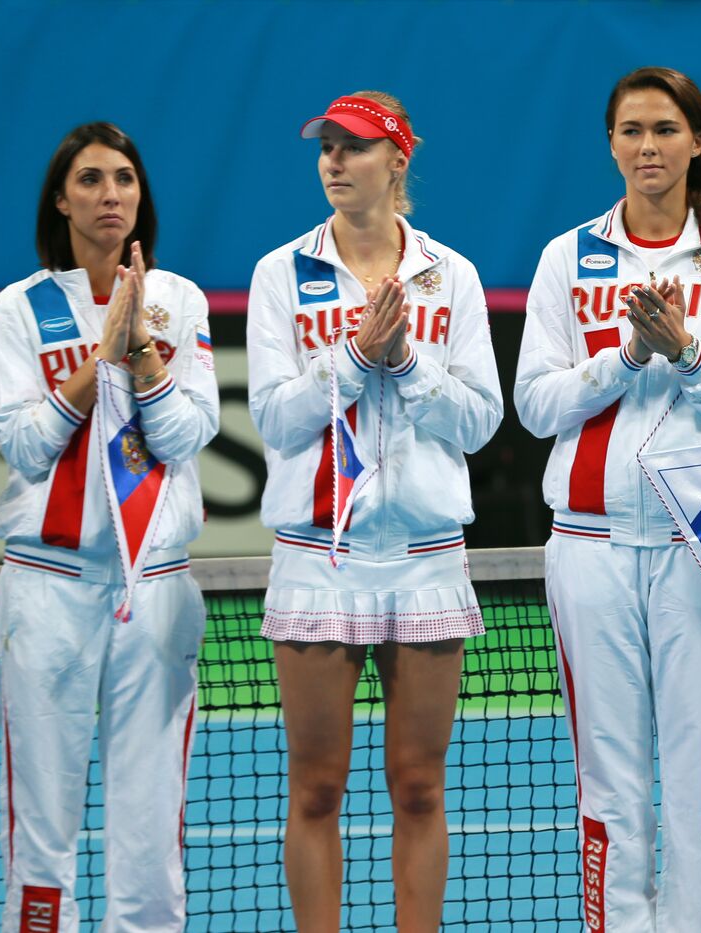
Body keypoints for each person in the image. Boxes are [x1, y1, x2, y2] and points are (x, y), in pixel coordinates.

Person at [514, 66, 701, 931]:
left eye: (665, 130)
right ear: (611, 144)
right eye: (631, 130)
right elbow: (536, 405)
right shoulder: (569, 255)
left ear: (697, 141)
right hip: (589, 546)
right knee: (611, 777)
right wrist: (628, 357)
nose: (648, 147)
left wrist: (689, 351)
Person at [247, 91, 501, 932]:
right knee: (316, 785)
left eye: (353, 147)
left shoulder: (450, 275)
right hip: (320, 557)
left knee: (420, 785)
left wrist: (409, 362)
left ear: (398, 159)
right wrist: (356, 358)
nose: (333, 161)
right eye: (325, 146)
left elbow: (479, 421)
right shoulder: (280, 273)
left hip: (426, 559)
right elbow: (277, 422)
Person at [0, 122, 219, 932]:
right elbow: (22, 443)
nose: (110, 193)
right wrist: (99, 359)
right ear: (61, 198)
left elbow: (189, 436)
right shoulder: (19, 309)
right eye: (89, 180)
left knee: (152, 828)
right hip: (48, 590)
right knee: (42, 828)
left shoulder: (180, 301)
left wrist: (144, 355)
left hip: (156, 588)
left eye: (123, 178)